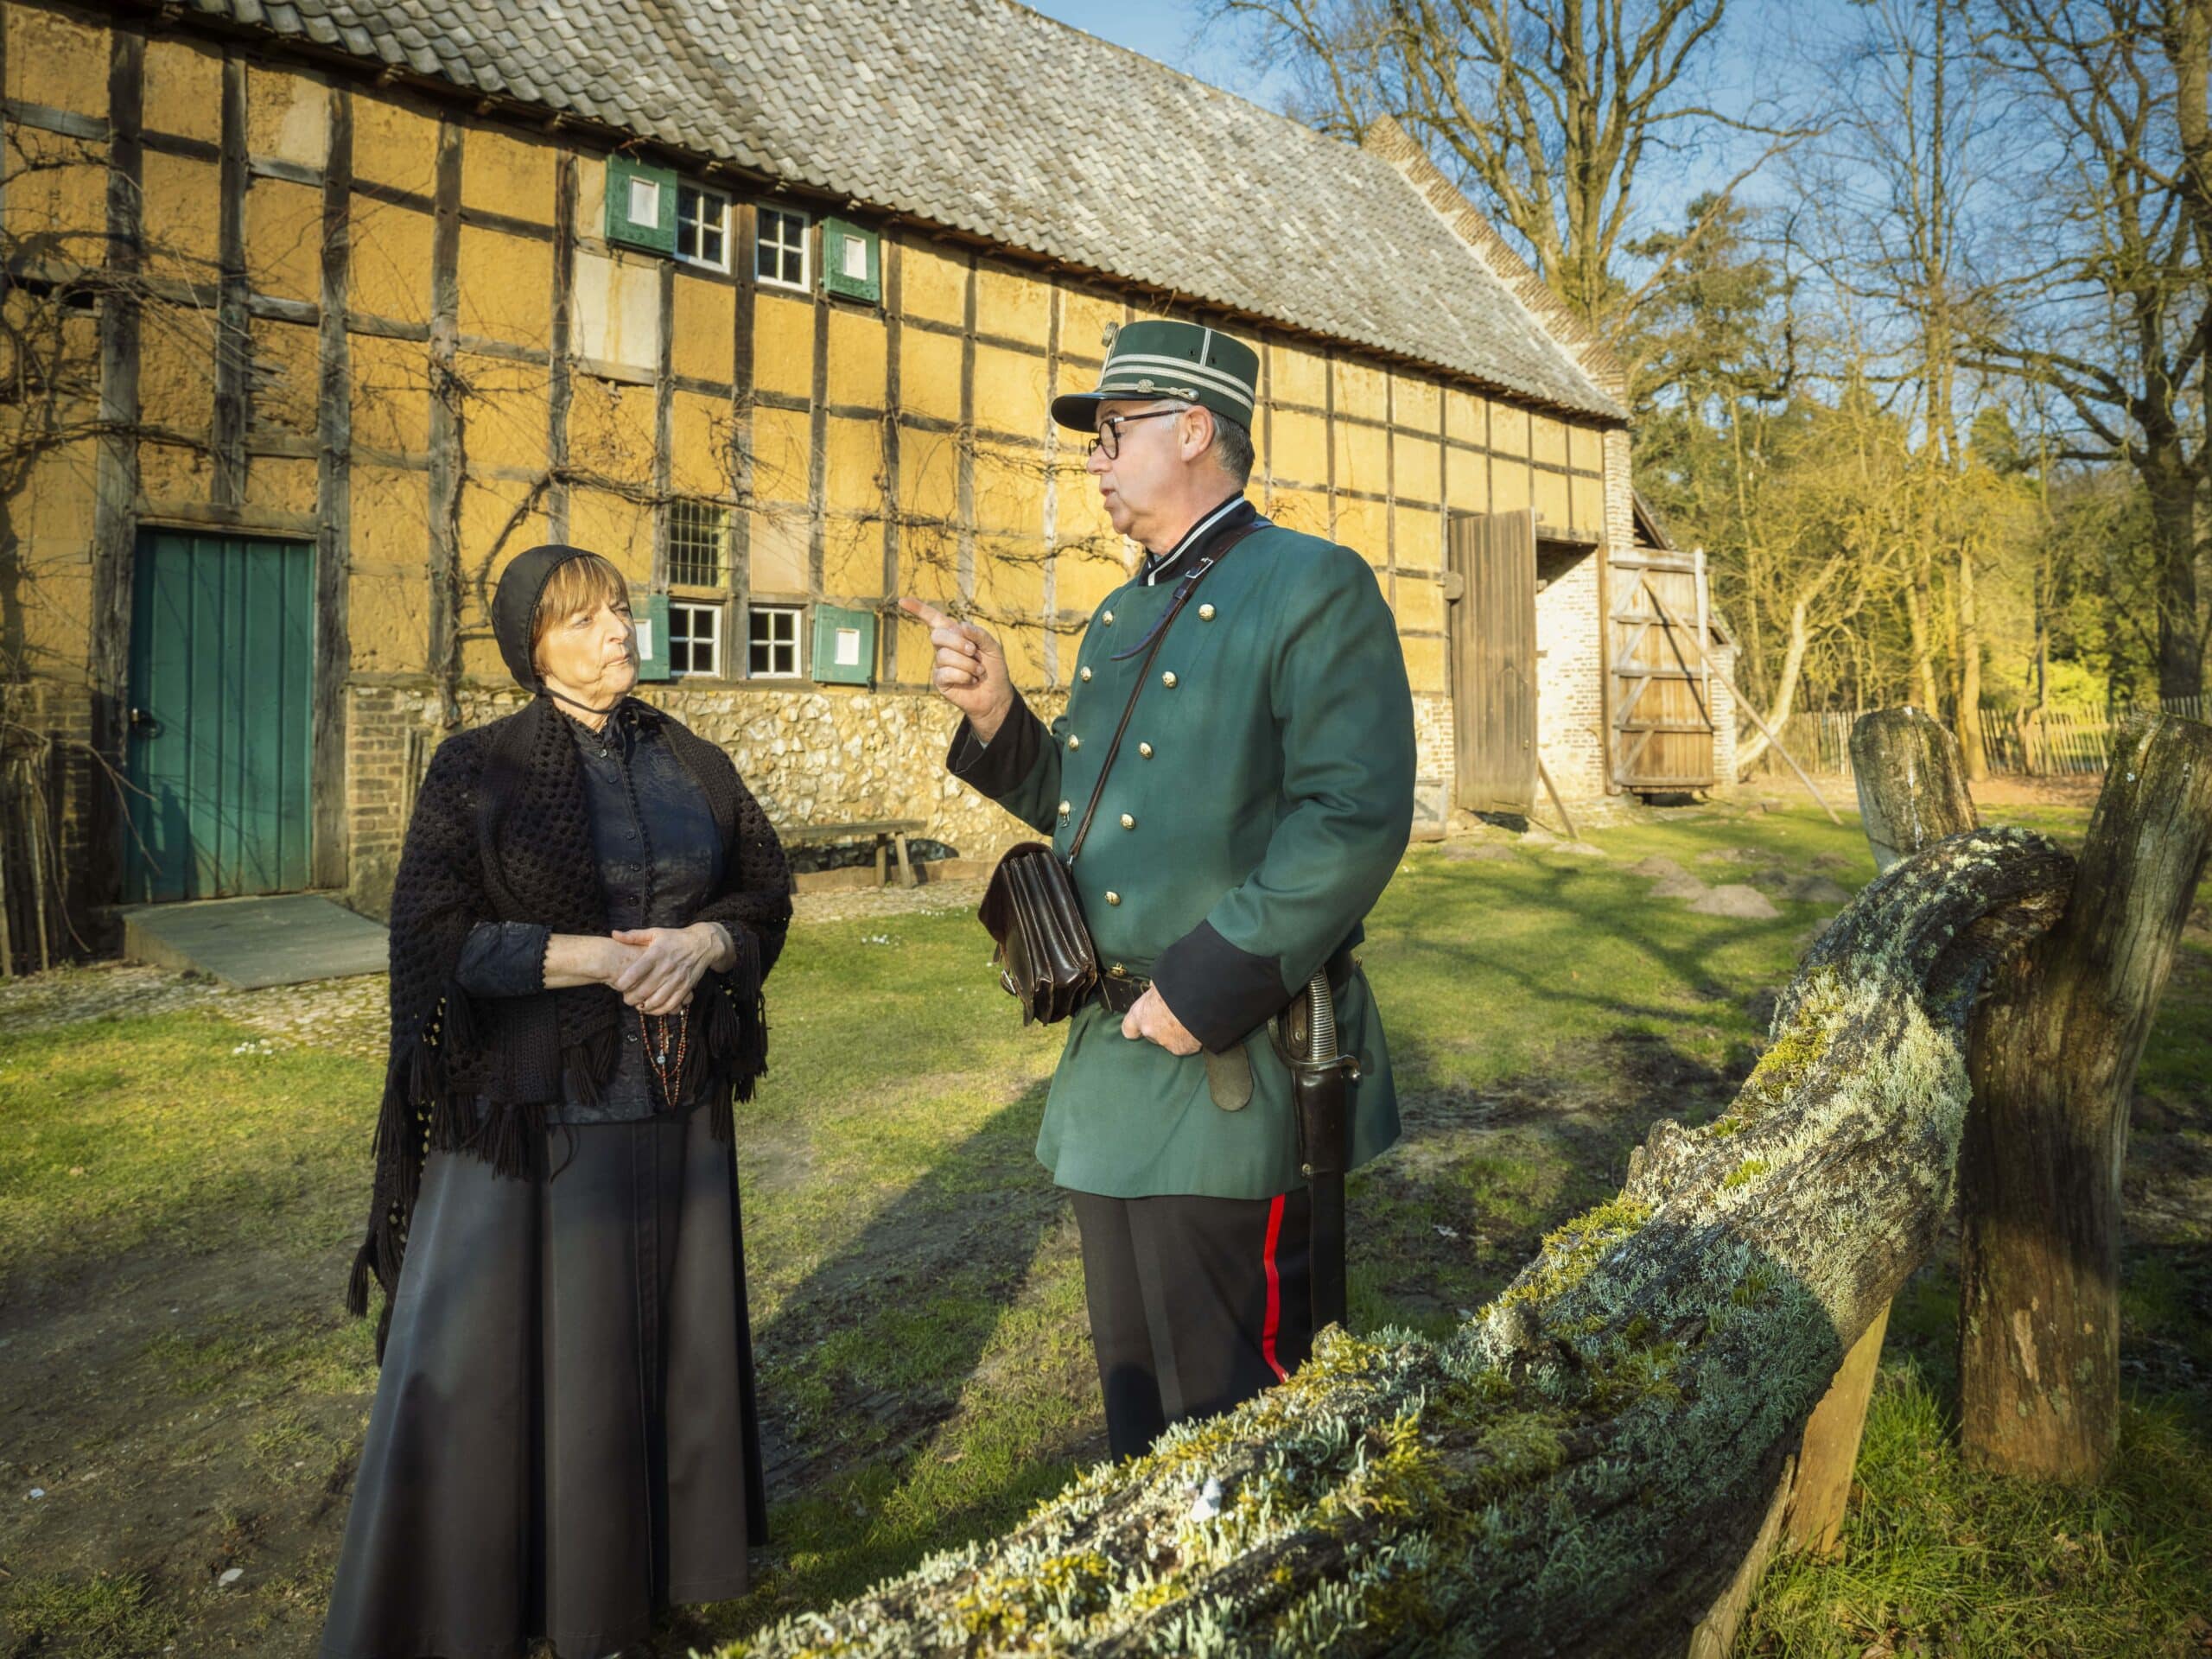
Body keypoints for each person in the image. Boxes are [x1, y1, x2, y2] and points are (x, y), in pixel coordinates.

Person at [900, 320, 1415, 1459]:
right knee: (1143, 1421)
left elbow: (1354, 817)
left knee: (1243, 1424)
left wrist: (1205, 985)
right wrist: (997, 720)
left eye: (1112, 431)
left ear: (1194, 431)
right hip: (1117, 1071)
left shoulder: (1312, 586)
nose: (1092, 456)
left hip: (1236, 1066)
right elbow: (1097, 815)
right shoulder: (1124, 613)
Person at [322, 544, 792, 1659]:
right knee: (529, 1381)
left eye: (621, 612)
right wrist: (588, 958)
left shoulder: (695, 761)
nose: (616, 635)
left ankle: (646, 1585)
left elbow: (765, 890)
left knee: (653, 1361)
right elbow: (430, 942)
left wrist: (708, 941)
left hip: (679, 1112)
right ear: (532, 648)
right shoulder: (478, 769)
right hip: (531, 1120)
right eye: (581, 622)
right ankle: (504, 1602)